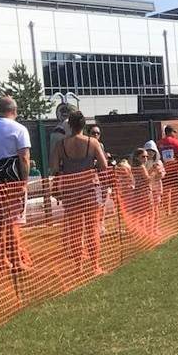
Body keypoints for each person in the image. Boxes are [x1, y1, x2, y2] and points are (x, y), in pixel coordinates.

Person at [50, 110, 107, 276]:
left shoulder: (60, 145)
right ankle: (95, 266)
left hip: (70, 190)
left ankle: (78, 266)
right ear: (84, 125)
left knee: (75, 230)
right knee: (92, 229)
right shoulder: (92, 142)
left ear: (69, 125)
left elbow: (54, 168)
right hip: (89, 189)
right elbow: (103, 166)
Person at [0, 97, 32, 274]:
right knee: (12, 219)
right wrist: (24, 183)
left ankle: (2, 259)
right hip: (12, 179)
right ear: (15, 110)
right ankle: (15, 261)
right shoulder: (19, 129)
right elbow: (24, 158)